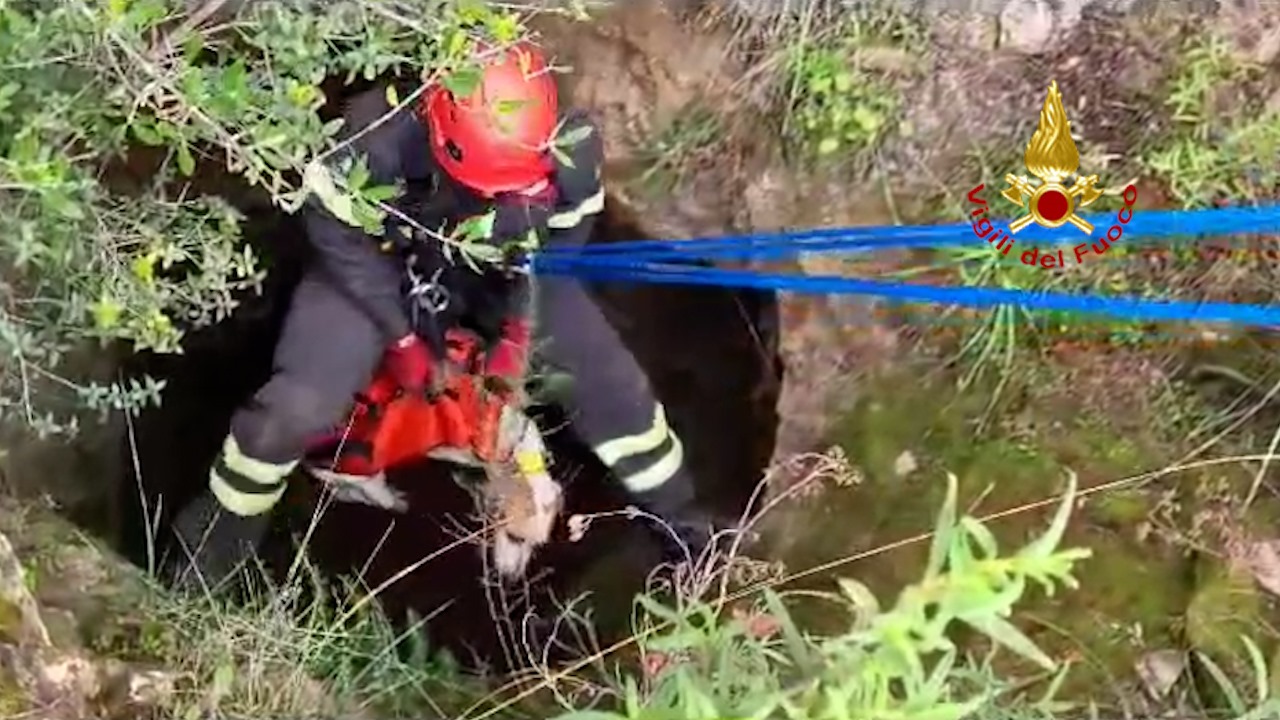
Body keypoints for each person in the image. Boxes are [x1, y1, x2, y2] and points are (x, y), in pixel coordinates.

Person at [165, 41, 716, 589]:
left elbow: (558, 250)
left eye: (528, 185)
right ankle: (208, 556)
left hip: (504, 276)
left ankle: (689, 537)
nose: (518, 197)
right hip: (373, 273)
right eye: (500, 189)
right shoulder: (373, 136)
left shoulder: (568, 146)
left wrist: (519, 329)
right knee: (292, 411)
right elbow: (337, 236)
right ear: (445, 145)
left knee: (614, 390)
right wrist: (402, 338)